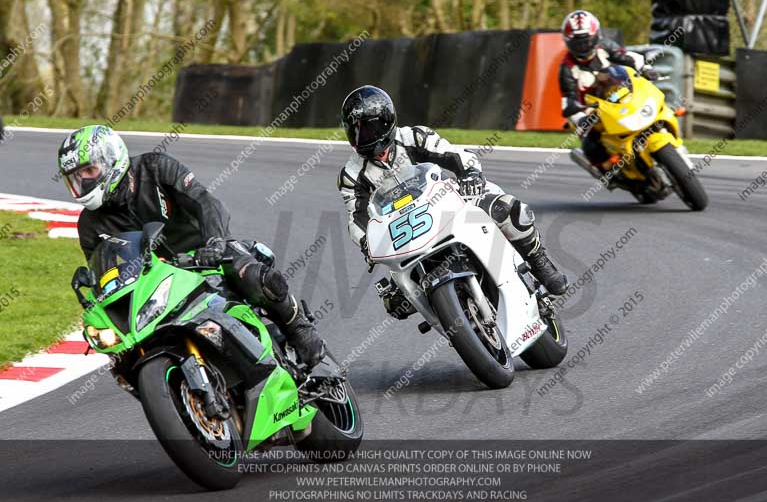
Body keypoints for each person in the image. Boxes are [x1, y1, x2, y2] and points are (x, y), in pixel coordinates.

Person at [57, 125, 325, 366]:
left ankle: (298, 327)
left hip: (207, 254)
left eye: (89, 171)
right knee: (123, 353)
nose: (84, 181)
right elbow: (104, 271)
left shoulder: (155, 168)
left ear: (112, 159)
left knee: (254, 276)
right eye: (76, 177)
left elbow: (205, 202)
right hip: (159, 282)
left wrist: (216, 242)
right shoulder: (89, 225)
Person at [335, 85, 568, 305]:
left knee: (506, 209)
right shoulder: (351, 175)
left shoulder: (414, 137)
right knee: (396, 301)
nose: (363, 136)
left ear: (387, 121)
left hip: (445, 205)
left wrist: (470, 174)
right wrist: (366, 242)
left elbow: (455, 154)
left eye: (370, 128)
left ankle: (539, 262)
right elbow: (356, 218)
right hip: (405, 231)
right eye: (356, 131)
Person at [559, 9, 657, 172]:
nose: (583, 47)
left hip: (620, 93)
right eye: (577, 43)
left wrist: (645, 68)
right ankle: (609, 172)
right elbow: (568, 100)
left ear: (595, 36)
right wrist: (581, 118)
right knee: (590, 144)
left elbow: (628, 57)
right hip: (593, 110)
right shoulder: (567, 68)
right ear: (568, 42)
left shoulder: (605, 47)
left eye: (586, 41)